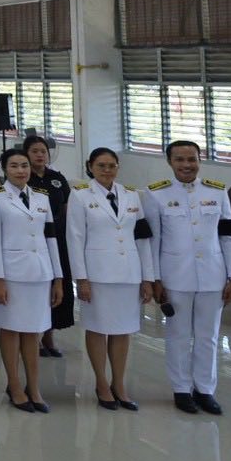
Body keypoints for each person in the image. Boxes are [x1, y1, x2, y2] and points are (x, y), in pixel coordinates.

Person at [142, 139, 231, 415]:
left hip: (213, 275)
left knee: (209, 336)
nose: (186, 165)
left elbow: (227, 236)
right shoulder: (155, 194)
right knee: (178, 335)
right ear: (169, 162)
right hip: (175, 276)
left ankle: (205, 390)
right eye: (180, 159)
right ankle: (182, 389)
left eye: (192, 159)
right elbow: (153, 241)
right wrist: (155, 278)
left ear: (200, 160)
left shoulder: (217, 192)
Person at [67, 146, 155, 411]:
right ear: (90, 167)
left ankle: (119, 383)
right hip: (98, 274)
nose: (107, 170)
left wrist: (147, 277)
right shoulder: (80, 195)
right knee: (97, 328)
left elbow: (142, 238)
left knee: (122, 329)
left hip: (128, 272)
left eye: (112, 165)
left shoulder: (131, 195)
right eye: (101, 165)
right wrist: (81, 278)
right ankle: (102, 382)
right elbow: (75, 238)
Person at [0, 148, 62, 413]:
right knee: (11, 329)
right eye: (14, 166)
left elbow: (50, 238)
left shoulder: (41, 197)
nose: (21, 170)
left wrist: (58, 277)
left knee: (33, 330)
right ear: (4, 170)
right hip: (12, 275)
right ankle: (15, 385)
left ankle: (34, 387)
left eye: (24, 165)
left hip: (40, 273)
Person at [23, 135, 73, 356]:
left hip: (58, 239)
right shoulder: (24, 177)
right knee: (38, 286)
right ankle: (33, 336)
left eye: (43, 151)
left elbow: (67, 206)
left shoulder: (57, 178)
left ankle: (49, 336)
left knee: (57, 285)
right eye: (34, 151)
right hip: (33, 239)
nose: (40, 155)